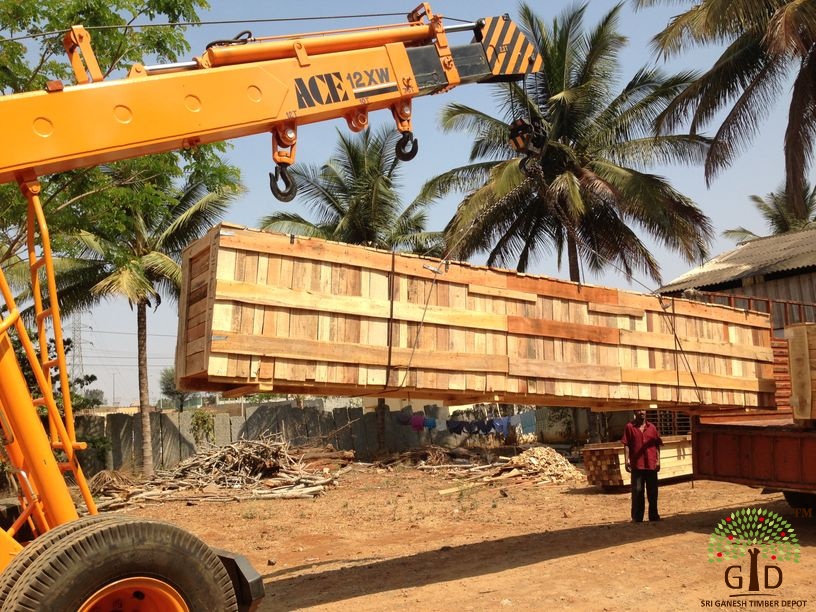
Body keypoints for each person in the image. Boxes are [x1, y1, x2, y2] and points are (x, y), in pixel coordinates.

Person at [621, 409, 662, 522]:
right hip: (637, 465)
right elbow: (626, 445)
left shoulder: (652, 428)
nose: (641, 412)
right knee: (637, 491)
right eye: (639, 410)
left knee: (653, 491)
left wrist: (658, 461)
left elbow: (657, 445)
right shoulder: (629, 427)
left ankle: (654, 516)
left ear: (646, 412)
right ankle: (637, 517)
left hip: (651, 464)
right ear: (635, 412)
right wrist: (626, 460)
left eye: (643, 410)